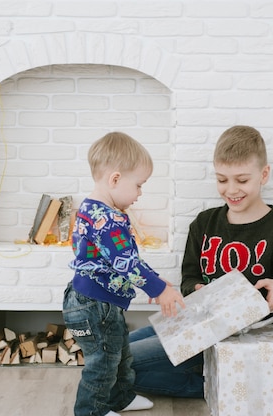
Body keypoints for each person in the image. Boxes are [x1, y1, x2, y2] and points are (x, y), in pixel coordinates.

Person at [129, 125, 273, 398]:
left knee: (116, 363)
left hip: (239, 336)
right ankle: (209, 379)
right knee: (113, 351)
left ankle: (212, 384)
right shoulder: (204, 223)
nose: (231, 189)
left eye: (242, 180)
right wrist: (196, 289)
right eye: (222, 180)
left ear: (264, 174)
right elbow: (189, 277)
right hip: (195, 323)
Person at [63, 132, 186, 416]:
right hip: (94, 304)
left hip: (102, 300)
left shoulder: (91, 210)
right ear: (115, 179)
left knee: (120, 353)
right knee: (104, 360)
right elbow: (126, 263)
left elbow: (124, 259)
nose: (140, 193)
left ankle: (121, 398)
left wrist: (157, 279)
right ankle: (90, 410)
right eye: (139, 185)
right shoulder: (108, 220)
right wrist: (158, 289)